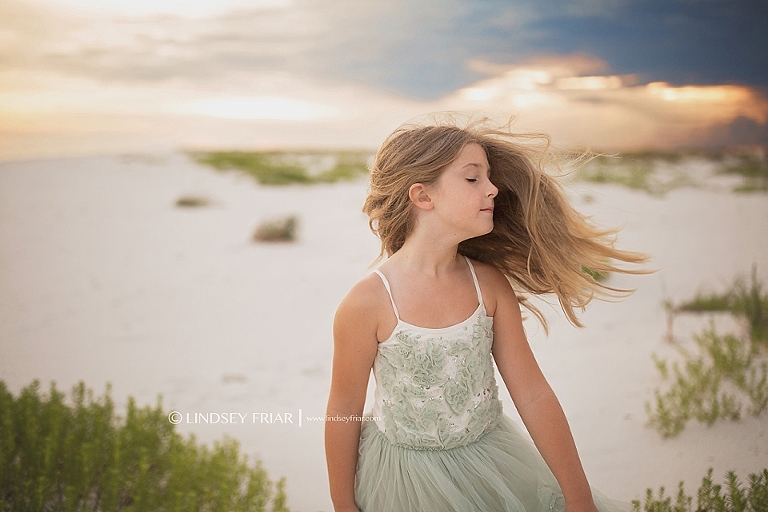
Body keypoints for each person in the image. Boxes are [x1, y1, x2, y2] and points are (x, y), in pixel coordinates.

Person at [325, 116, 647, 512]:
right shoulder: (369, 301)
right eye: (473, 178)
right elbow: (342, 409)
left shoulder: (488, 285)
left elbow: (532, 393)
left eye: (489, 177)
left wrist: (577, 495)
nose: (493, 189)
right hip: (404, 484)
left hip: (492, 467)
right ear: (423, 196)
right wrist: (343, 504)